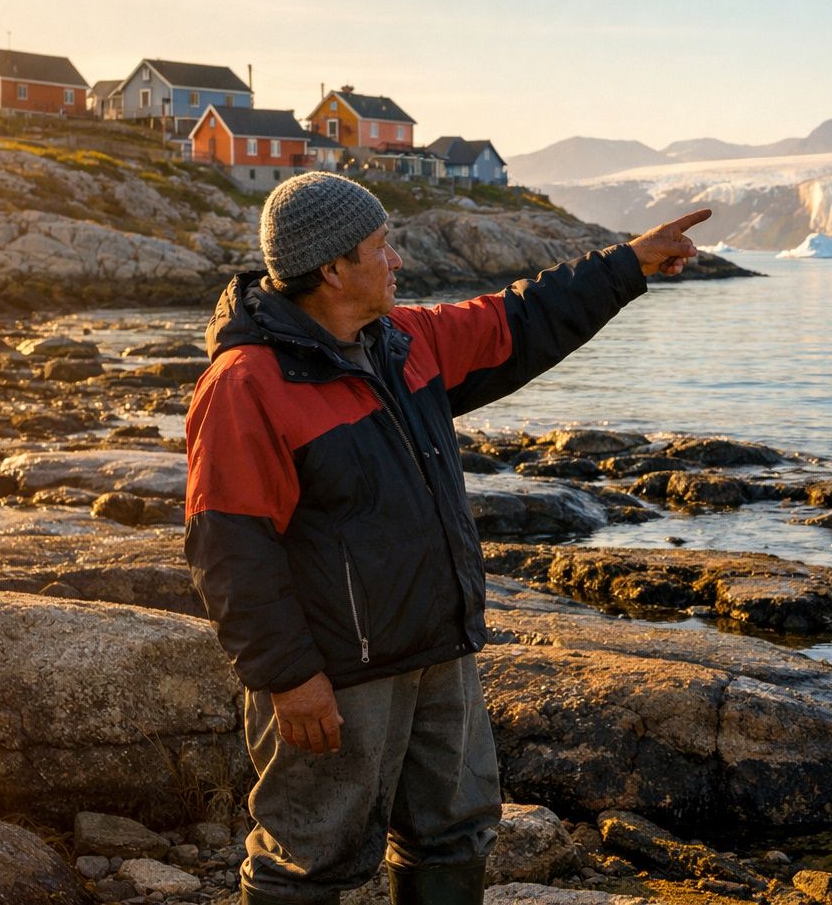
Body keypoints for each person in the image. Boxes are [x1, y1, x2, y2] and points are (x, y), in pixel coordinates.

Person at [183, 171, 709, 905]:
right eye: (380, 246)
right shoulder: (248, 383)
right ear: (332, 269)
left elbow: (518, 320)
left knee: (456, 833)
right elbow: (228, 550)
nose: (397, 260)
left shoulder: (405, 343)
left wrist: (629, 263)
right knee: (307, 858)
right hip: (339, 673)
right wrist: (287, 678)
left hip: (439, 650)